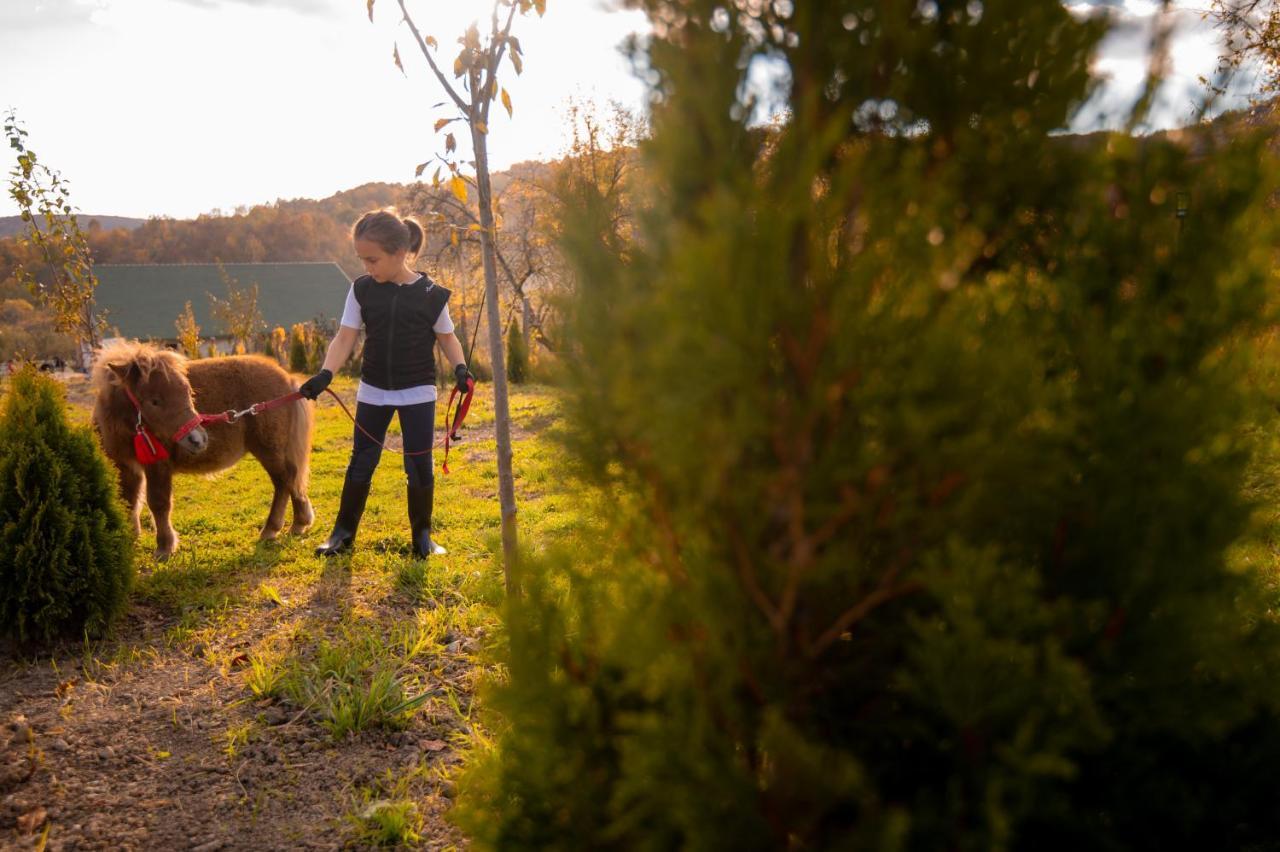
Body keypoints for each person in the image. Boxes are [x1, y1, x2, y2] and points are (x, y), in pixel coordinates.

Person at [299, 209, 473, 558]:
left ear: (399, 253)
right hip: (373, 390)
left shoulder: (431, 294)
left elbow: (448, 338)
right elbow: (345, 337)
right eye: (362, 259)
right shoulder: (362, 289)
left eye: (373, 259)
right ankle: (342, 535)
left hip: (418, 391)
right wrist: (325, 374)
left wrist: (461, 368)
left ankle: (423, 539)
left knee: (418, 464)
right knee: (361, 461)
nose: (367, 267)